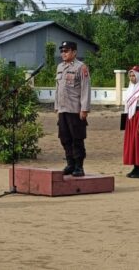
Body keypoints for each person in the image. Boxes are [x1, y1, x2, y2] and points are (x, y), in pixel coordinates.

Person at [54, 41, 91, 177]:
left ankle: (79, 166)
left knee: (77, 138)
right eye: (62, 51)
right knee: (65, 138)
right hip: (63, 109)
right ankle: (70, 164)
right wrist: (56, 106)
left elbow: (85, 88)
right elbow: (58, 88)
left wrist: (84, 109)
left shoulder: (81, 67)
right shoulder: (59, 67)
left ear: (74, 52)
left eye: (67, 51)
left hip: (75, 109)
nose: (64, 53)